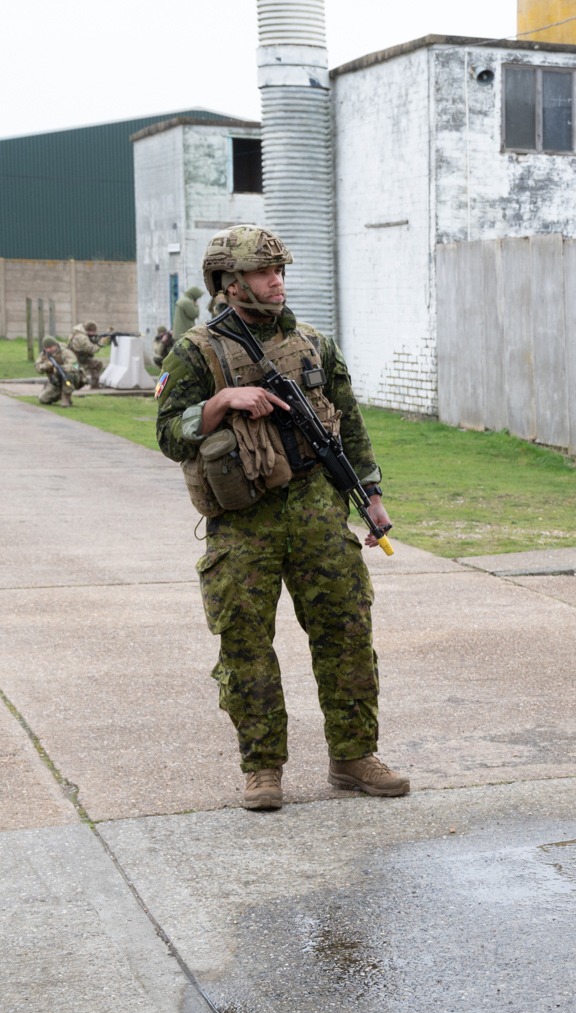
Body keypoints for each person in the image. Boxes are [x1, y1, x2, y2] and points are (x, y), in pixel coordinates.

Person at [153, 224, 408, 812]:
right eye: (266, 272)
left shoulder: (315, 343)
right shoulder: (196, 351)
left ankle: (353, 757)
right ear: (229, 281)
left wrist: (369, 495)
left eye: (281, 271)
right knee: (245, 645)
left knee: (347, 632)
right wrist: (220, 403)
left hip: (319, 510)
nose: (278, 282)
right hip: (243, 522)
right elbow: (169, 435)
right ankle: (263, 769)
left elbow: (349, 420)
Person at [35, 337, 77, 406]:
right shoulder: (43, 355)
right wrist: (46, 365)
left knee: (68, 375)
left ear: (55, 345)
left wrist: (62, 368)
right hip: (56, 381)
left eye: (50, 347)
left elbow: (75, 366)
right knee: (43, 399)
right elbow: (37, 367)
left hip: (71, 378)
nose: (48, 350)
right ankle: (60, 393)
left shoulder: (65, 352)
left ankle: (66, 398)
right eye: (46, 348)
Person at [68, 322, 103, 389]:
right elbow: (92, 349)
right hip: (77, 361)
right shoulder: (82, 337)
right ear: (90, 331)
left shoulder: (77, 332)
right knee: (96, 364)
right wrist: (101, 343)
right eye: (93, 332)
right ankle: (94, 385)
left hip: (74, 358)